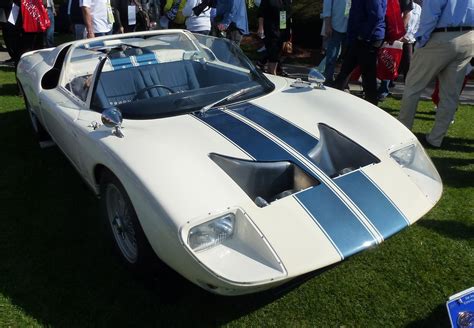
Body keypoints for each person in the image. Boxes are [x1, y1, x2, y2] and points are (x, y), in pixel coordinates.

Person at [398, 0, 473, 148]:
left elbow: (430, 16)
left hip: (441, 37)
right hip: (468, 37)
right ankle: (435, 139)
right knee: (450, 94)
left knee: (413, 87)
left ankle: (402, 131)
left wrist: (421, 42)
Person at [331, 0, 387, 106]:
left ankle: (371, 105)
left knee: (368, 75)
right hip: (360, 37)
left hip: (368, 39)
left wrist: (363, 35)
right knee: (346, 69)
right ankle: (334, 98)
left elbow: (376, 15)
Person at [377, 0, 413, 100]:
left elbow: (407, 14)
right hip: (379, 29)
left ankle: (383, 90)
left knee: (389, 60)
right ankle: (371, 87)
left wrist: (398, 33)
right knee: (377, 60)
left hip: (393, 32)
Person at [321, 0, 350, 84]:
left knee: (347, 58)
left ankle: (343, 82)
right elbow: (327, 5)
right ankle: (328, 79)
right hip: (335, 25)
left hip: (350, 26)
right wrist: (327, 24)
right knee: (331, 56)